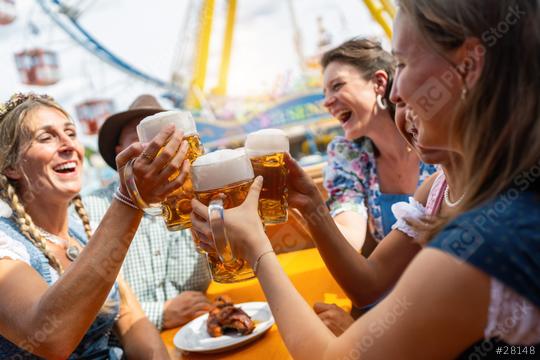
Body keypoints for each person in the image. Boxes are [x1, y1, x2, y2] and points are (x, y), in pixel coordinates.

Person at [191, 0, 540, 357]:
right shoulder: (441, 189)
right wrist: (313, 205)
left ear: (469, 65)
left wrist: (255, 246)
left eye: (402, 62)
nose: (396, 93)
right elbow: (368, 285)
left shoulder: (486, 241)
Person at [0, 93, 186, 357]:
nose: (69, 146)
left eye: (71, 134)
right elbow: (50, 338)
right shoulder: (5, 243)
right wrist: (131, 199)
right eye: (46, 137)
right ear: (10, 166)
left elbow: (133, 322)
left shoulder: (84, 232)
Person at [81, 94, 211, 330]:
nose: (159, 147)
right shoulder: (89, 210)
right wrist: (159, 314)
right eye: (145, 139)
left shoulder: (201, 194)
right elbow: (82, 303)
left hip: (201, 332)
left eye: (168, 137)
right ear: (120, 151)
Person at [322, 38, 437, 255]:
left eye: (337, 86)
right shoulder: (348, 156)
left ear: (379, 83)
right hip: (396, 285)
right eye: (325, 93)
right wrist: (309, 210)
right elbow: (350, 238)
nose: (327, 101)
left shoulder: (435, 134)